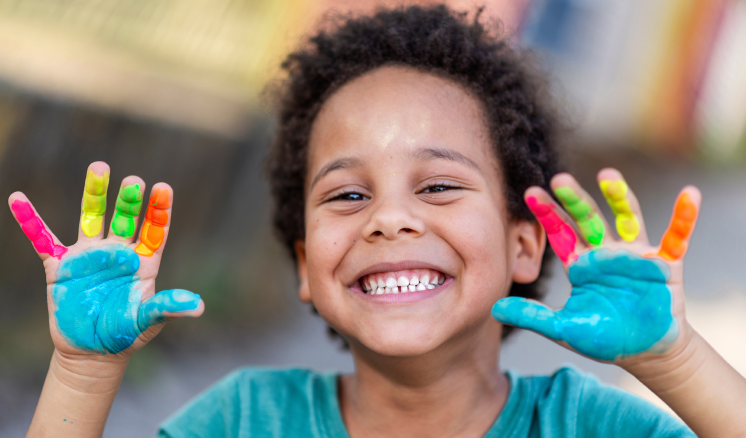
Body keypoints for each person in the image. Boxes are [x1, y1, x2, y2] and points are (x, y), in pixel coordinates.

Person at [11, 5, 746, 438]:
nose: (390, 218)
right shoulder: (246, 418)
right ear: (305, 265)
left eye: (436, 184)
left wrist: (673, 360)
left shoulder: (589, 424)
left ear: (525, 244)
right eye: (348, 196)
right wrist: (83, 371)